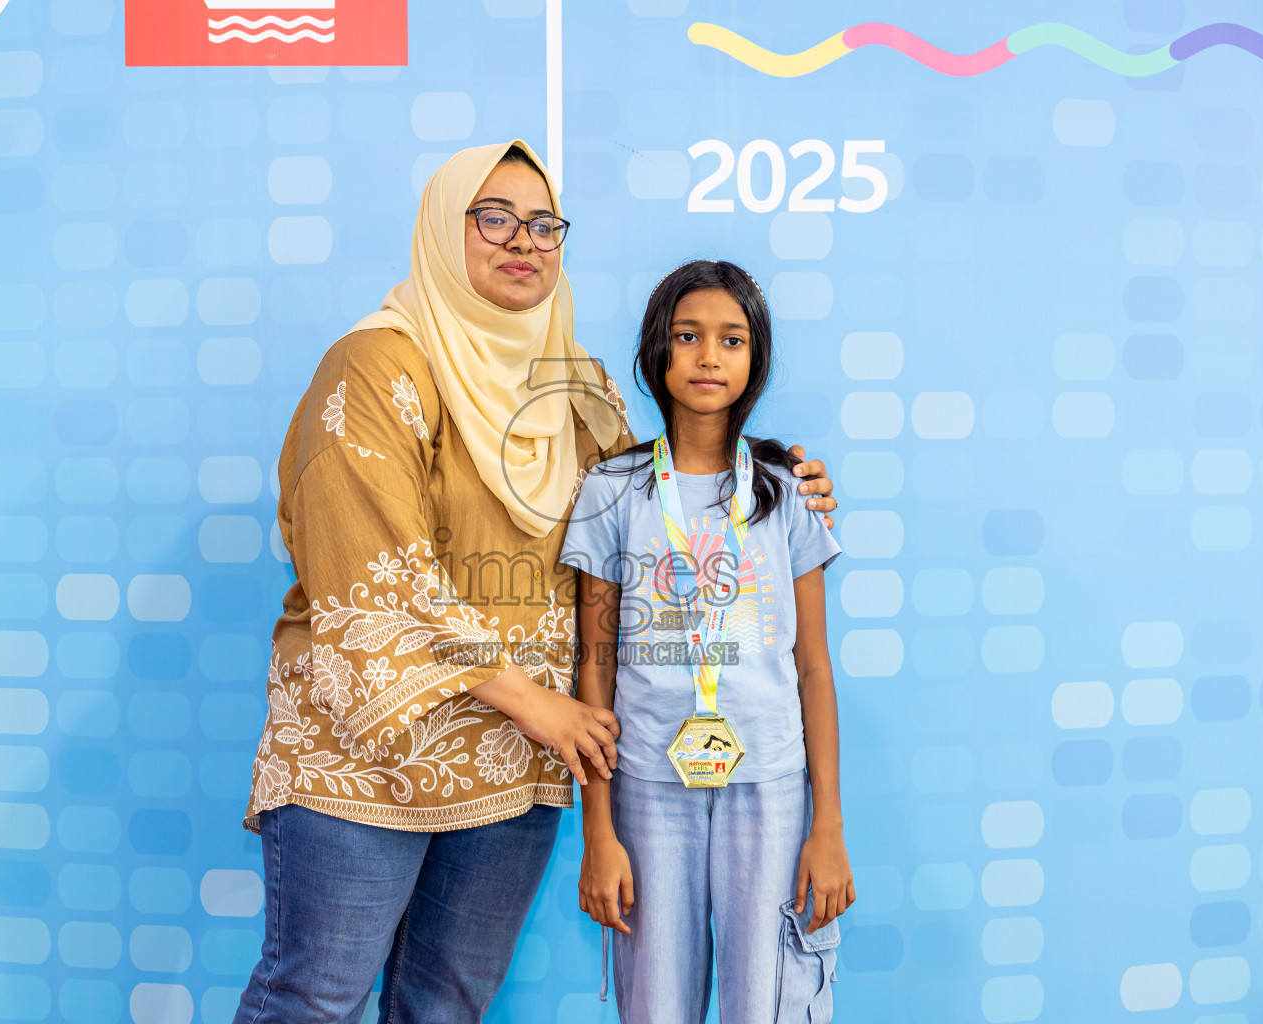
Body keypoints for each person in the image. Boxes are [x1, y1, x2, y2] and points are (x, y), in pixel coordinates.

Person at [232, 142, 838, 1023]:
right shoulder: (375, 367)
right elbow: (370, 572)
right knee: (315, 1000)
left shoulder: (580, 391)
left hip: (514, 775)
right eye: (493, 217)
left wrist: (784, 481)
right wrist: (538, 704)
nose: (523, 240)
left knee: (446, 1005)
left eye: (543, 224)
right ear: (446, 229)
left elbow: (655, 516)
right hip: (366, 767)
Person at [563, 260, 856, 1023]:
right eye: (688, 336)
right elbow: (591, 669)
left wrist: (828, 825)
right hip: (648, 790)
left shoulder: (786, 491)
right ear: (658, 350)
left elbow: (814, 668)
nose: (707, 356)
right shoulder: (613, 491)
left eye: (731, 339)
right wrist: (598, 827)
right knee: (656, 1003)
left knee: (770, 1001)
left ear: (755, 357)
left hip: (773, 786)